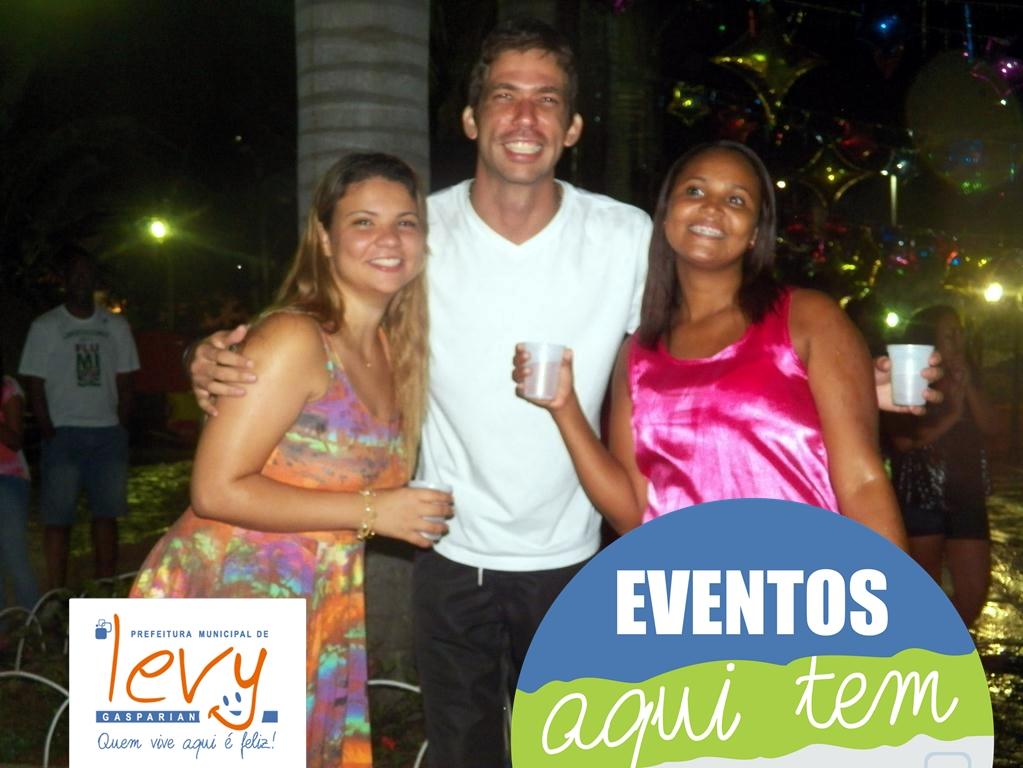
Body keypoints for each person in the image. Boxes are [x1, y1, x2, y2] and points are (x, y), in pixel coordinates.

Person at [186, 19, 936, 766]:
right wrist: (213, 356)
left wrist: (834, 381)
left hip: (575, 562)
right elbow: (333, 325)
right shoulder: (415, 236)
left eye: (546, 99)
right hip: (447, 553)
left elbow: (701, 336)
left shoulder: (626, 236)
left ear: (571, 128)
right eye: (504, 96)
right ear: (471, 118)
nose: (524, 116)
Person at [131, 152, 453, 768]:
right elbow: (215, 490)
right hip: (226, 597)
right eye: (364, 222)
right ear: (325, 240)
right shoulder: (294, 337)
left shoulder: (394, 350)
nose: (389, 239)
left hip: (318, 602)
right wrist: (374, 511)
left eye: (406, 223)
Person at [513, 140, 908, 550]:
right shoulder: (638, 354)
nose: (712, 208)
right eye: (695, 191)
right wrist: (565, 407)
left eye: (736, 200)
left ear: (755, 233)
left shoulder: (808, 318)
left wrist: (897, 587)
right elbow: (633, 514)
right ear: (667, 214)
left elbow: (862, 483)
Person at [18, 245, 139, 590]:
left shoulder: (115, 325)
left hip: (107, 433)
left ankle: (105, 587)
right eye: (75, 274)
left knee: (107, 515)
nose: (82, 280)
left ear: (94, 278)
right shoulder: (46, 326)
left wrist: (121, 425)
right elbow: (34, 381)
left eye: (88, 273)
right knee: (58, 520)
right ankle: (57, 595)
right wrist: (47, 427)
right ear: (65, 280)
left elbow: (127, 379)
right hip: (63, 433)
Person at [888, 305, 999, 627]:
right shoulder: (911, 377)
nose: (958, 340)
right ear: (931, 339)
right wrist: (952, 415)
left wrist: (968, 387)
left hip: (966, 491)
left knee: (974, 593)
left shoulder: (970, 375)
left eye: (960, 332)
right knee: (923, 592)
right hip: (920, 491)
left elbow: (993, 426)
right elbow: (903, 441)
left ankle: (944, 641)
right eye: (949, 334)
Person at [0, 347, 39, 616]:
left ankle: (33, 620)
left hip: (8, 480)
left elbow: (15, 440)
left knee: (15, 556)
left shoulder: (8, 388)